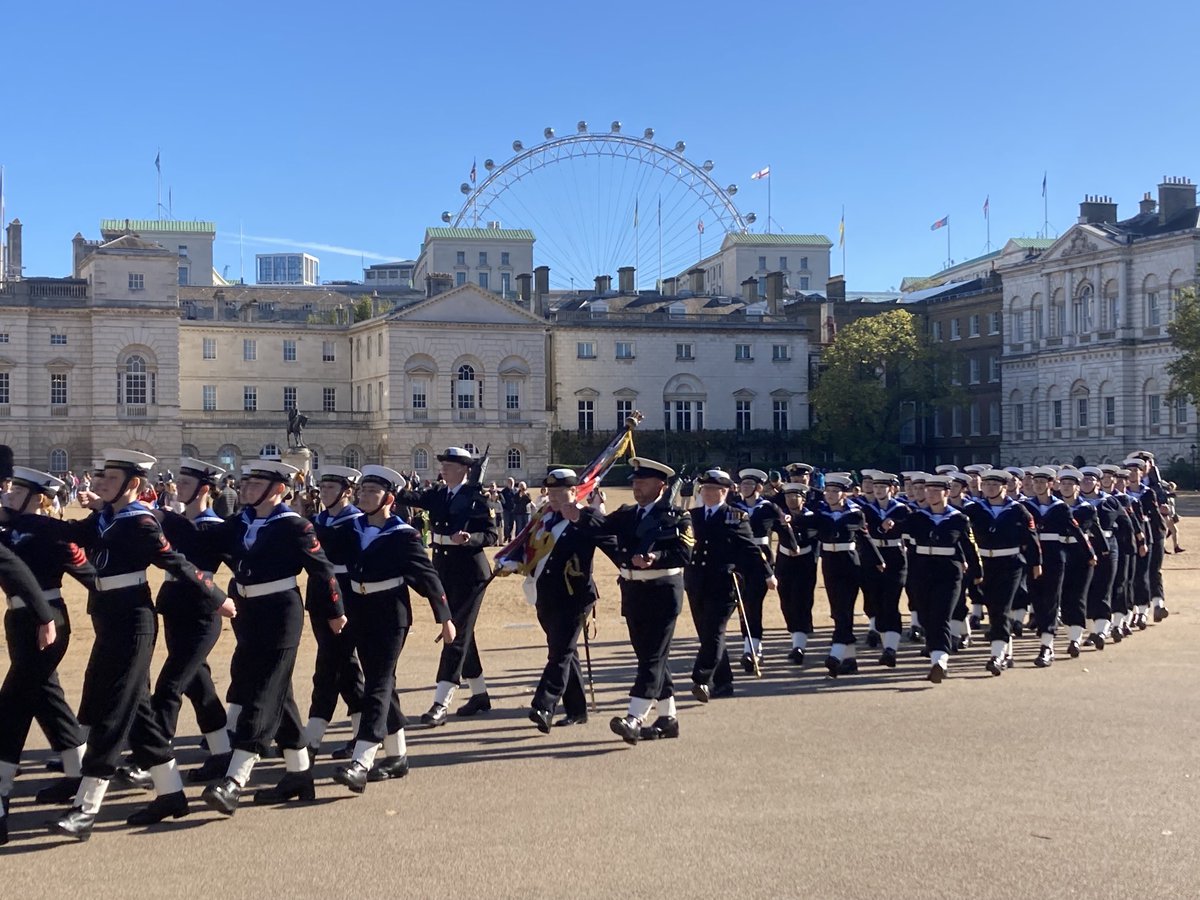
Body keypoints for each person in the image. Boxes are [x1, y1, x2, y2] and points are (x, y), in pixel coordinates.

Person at [18, 450, 231, 840]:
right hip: (108, 621)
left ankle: (86, 807)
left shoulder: (142, 523)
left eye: (112, 480)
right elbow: (67, 534)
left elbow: (178, 563)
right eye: (103, 478)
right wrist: (21, 518)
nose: (103, 484)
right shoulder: (105, 518)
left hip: (134, 622)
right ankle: (171, 794)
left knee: (112, 712)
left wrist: (218, 596)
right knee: (137, 713)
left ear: (132, 484)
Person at [189, 458, 345, 817]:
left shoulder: (295, 526)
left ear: (278, 490)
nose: (245, 489)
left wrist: (335, 611)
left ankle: (235, 780)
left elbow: (323, 572)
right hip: (248, 613)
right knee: (279, 697)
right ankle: (299, 775)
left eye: (255, 484)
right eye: (245, 483)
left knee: (260, 695)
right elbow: (204, 543)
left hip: (281, 613)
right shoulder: (240, 522)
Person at [325, 466, 454, 793]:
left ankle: (361, 761)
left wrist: (445, 617)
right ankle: (397, 758)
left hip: (390, 616)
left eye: (372, 492)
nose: (363, 496)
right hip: (359, 611)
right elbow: (321, 549)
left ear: (389, 499)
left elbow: (428, 579)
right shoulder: (352, 528)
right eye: (362, 491)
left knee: (378, 685)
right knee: (382, 683)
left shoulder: (403, 535)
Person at [0, 464, 96, 846]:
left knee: (13, 703)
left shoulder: (54, 532)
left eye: (15, 493)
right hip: (17, 620)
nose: (7, 496)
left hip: (50, 623)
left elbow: (90, 575)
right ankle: (78, 775)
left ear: (36, 498)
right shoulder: (7, 529)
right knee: (47, 699)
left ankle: (2, 789)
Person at [575, 458, 691, 744]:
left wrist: (655, 557)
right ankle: (668, 718)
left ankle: (634, 718)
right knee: (650, 656)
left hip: (663, 591)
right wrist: (576, 512)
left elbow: (684, 554)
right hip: (634, 592)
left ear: (660, 485)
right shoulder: (629, 514)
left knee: (652, 656)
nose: (636, 486)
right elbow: (601, 525)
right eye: (635, 481)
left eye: (643, 481)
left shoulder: (677, 516)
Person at [146, 458, 237, 785]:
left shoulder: (215, 527)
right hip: (174, 608)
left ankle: (151, 757)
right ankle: (222, 753)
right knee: (199, 687)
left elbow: (235, 560)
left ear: (204, 489)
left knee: (169, 685)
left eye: (185, 484)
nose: (177, 488)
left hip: (202, 615)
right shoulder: (174, 521)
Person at [397, 447, 500, 725]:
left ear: (464, 469)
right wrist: (387, 486)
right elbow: (411, 497)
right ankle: (479, 694)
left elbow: (492, 534)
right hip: (443, 569)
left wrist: (470, 538)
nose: (443, 468)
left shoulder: (476, 498)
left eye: (450, 465)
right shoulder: (439, 494)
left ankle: (441, 702)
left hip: (470, 573)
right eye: (443, 464)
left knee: (454, 634)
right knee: (464, 634)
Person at [506, 469, 605, 734]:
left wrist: (582, 517)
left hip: (575, 595)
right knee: (565, 651)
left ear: (575, 493)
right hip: (546, 594)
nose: (555, 498)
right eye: (551, 493)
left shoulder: (586, 517)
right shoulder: (544, 518)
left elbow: (605, 531)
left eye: (562, 493)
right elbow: (528, 546)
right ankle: (576, 709)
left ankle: (544, 704)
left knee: (559, 652)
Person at [685, 469, 775, 700]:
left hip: (723, 583)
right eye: (704, 489)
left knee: (714, 631)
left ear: (723, 492)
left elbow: (751, 549)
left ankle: (702, 678)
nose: (706, 493)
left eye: (711, 489)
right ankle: (724, 682)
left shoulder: (734, 516)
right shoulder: (693, 515)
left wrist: (767, 574)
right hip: (696, 581)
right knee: (706, 634)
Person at [883, 474, 979, 682]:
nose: (932, 494)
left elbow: (970, 547)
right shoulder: (918, 517)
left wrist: (977, 572)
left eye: (937, 491)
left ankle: (940, 661)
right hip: (922, 571)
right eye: (929, 491)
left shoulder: (959, 518)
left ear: (946, 493)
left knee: (941, 615)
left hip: (949, 572)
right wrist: (890, 523)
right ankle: (936, 652)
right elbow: (900, 526)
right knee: (926, 616)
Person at [304, 466, 367, 760]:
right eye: (323, 487)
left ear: (347, 492)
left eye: (331, 488)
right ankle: (360, 731)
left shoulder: (355, 522)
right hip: (319, 597)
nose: (324, 492)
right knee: (343, 666)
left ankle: (314, 737)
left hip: (344, 597)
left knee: (331, 666)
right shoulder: (318, 520)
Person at [961, 470, 1042, 675]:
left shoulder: (1018, 510)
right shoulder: (973, 509)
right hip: (984, 563)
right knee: (993, 607)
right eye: (986, 485)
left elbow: (1031, 539)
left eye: (994, 485)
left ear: (1004, 487)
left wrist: (1036, 564)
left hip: (1010, 563)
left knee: (1001, 608)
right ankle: (1007, 653)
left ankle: (996, 655)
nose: (989, 488)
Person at [1022, 467, 1093, 668]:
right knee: (1037, 600)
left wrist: (1090, 554)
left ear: (1051, 485)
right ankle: (1046, 639)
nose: (1038, 486)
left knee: (1051, 600)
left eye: (1042, 483)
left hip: (1055, 557)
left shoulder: (1060, 507)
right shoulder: (1026, 507)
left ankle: (1047, 645)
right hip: (1033, 559)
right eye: (1035, 483)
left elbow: (1077, 530)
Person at [814, 473, 883, 676]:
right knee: (838, 610)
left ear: (844, 494)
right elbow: (804, 526)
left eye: (835, 491)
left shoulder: (855, 514)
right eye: (828, 491)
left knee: (844, 608)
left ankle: (835, 655)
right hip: (829, 563)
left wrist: (879, 560)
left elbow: (865, 537)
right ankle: (850, 660)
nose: (830, 495)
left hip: (849, 563)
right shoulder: (820, 512)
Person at [728, 468, 787, 672]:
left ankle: (755, 648)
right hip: (739, 561)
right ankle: (748, 647)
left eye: (749, 485)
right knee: (743, 605)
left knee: (754, 605)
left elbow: (784, 529)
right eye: (743, 484)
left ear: (759, 488)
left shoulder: (768, 507)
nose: (744, 488)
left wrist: (794, 547)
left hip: (761, 560)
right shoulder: (733, 507)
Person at [859, 472, 909, 667]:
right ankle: (880, 634)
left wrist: (896, 525)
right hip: (872, 558)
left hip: (895, 557)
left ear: (892, 489)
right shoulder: (865, 510)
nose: (878, 490)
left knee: (891, 601)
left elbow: (911, 526)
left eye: (882, 487)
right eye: (876, 487)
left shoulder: (901, 509)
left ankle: (891, 649)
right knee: (875, 601)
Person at [774, 483, 820, 665]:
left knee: (801, 601)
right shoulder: (780, 516)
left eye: (796, 496)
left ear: (803, 499)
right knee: (786, 601)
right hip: (784, 563)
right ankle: (796, 638)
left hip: (804, 562)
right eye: (788, 496)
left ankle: (799, 646)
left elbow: (807, 535)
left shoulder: (811, 518)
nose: (791, 499)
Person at [499, 477, 517, 542]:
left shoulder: (515, 490)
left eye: (512, 482)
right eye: (510, 482)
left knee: (511, 524)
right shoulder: (504, 491)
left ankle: (510, 537)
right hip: (506, 510)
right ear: (507, 483)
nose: (511, 483)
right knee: (506, 524)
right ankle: (506, 536)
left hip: (513, 510)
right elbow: (501, 500)